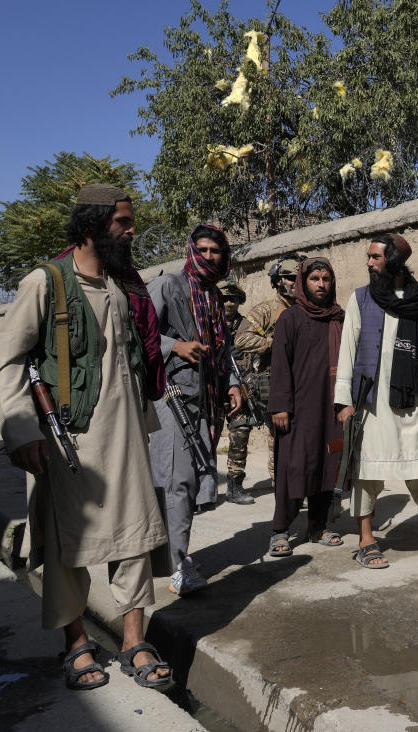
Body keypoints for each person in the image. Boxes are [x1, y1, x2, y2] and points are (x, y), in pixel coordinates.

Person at [0, 185, 173, 690]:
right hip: (69, 440)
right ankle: (77, 644)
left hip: (128, 434)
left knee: (134, 538)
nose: (132, 230)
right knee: (71, 546)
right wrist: (22, 431)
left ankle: (135, 640)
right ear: (92, 226)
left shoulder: (124, 285)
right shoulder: (45, 282)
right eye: (123, 222)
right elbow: (5, 365)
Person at [334, 234, 418, 568]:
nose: (369, 263)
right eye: (369, 257)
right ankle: (366, 538)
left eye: (375, 257)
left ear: (394, 260)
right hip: (372, 400)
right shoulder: (361, 298)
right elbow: (348, 350)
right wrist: (344, 402)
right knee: (367, 471)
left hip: (412, 396)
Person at [148, 225, 243, 596]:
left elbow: (224, 348)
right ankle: (177, 565)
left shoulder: (214, 297)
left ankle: (178, 554)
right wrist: (175, 345)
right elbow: (136, 333)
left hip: (202, 400)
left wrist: (233, 383)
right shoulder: (170, 285)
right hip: (171, 397)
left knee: (191, 483)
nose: (208, 256)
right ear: (191, 251)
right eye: (201, 249)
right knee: (177, 480)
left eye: (215, 251)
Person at [266, 257, 346, 557]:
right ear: (304, 282)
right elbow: (280, 366)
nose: (321, 285)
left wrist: (346, 403)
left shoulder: (338, 318)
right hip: (297, 408)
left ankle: (318, 526)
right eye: (315, 279)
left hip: (331, 407)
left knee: (327, 467)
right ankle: (280, 529)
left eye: (326, 279)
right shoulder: (291, 318)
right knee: (292, 467)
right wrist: (280, 406)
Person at [235, 253, 303, 479]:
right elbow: (241, 339)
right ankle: (280, 484)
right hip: (275, 382)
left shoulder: (307, 308)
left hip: (303, 382)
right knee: (279, 436)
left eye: (299, 277)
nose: (296, 282)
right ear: (278, 281)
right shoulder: (267, 310)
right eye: (291, 277)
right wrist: (273, 343)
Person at [218, 280, 256, 505]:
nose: (228, 303)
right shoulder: (209, 322)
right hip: (213, 387)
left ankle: (234, 485)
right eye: (224, 298)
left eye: (233, 299)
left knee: (240, 435)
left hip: (239, 389)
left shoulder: (247, 325)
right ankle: (202, 489)